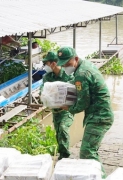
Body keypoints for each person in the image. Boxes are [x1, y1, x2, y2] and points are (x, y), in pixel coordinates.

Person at [57, 47, 114, 178]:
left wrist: (68, 108)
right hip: (99, 114)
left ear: (76, 59)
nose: (65, 67)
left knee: (87, 152)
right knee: (90, 150)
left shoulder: (81, 75)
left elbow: (83, 103)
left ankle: (101, 177)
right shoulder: (86, 65)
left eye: (67, 64)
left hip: (100, 117)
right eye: (63, 64)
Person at [40, 51, 75, 160]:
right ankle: (62, 154)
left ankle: (65, 156)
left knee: (63, 129)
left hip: (66, 110)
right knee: (58, 133)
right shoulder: (47, 77)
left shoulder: (67, 75)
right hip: (55, 111)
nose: (45, 66)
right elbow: (43, 89)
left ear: (53, 64)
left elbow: (72, 91)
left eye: (46, 63)